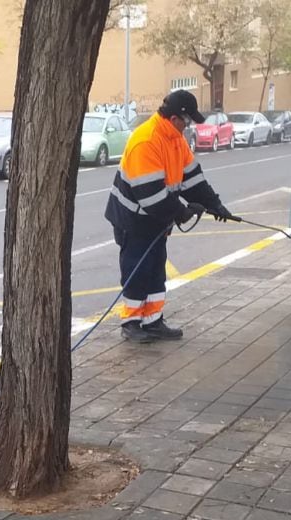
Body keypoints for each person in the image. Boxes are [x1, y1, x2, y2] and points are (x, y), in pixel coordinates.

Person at [104, 89, 234, 343]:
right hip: (134, 219)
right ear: (175, 118)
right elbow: (150, 195)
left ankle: (153, 321)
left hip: (156, 218)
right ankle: (131, 322)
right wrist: (182, 212)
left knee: (155, 269)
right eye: (186, 121)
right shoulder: (147, 141)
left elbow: (193, 179)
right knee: (136, 269)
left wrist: (215, 205)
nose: (187, 127)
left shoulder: (175, 139)